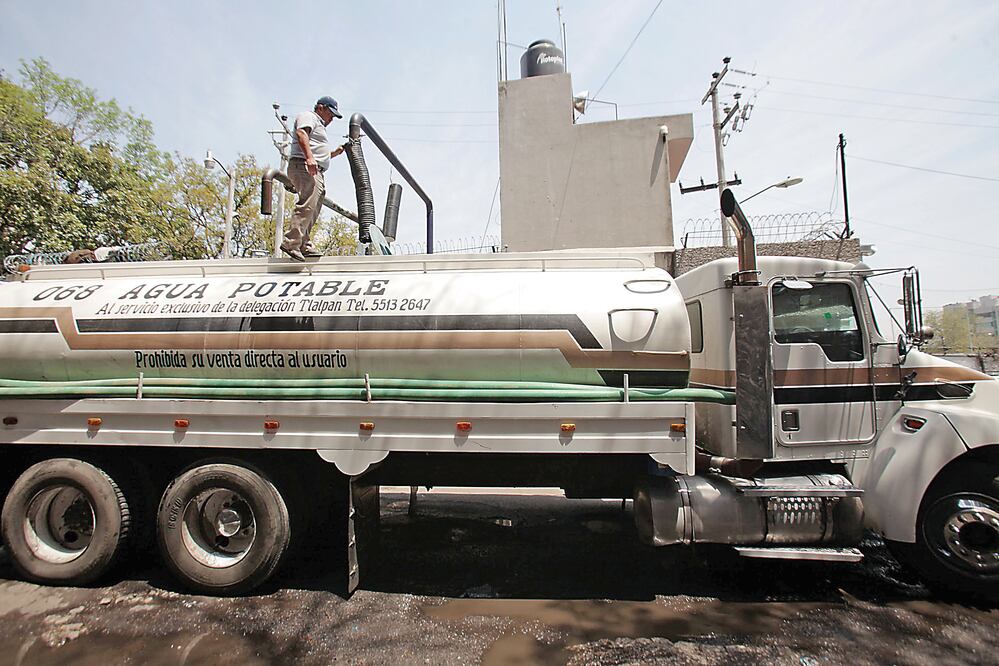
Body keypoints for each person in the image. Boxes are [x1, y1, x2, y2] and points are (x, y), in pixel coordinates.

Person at [281, 96, 347, 261]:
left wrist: (335, 153)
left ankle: (304, 243)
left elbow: (318, 151)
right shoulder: (308, 116)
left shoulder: (320, 126)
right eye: (330, 113)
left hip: (314, 168)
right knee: (307, 204)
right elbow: (301, 133)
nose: (331, 118)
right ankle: (291, 242)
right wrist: (310, 159)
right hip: (304, 165)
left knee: (314, 207)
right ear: (320, 107)